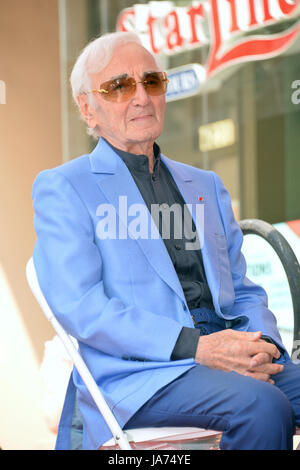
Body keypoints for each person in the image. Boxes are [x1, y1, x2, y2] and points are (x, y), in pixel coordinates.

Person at [32, 31, 300, 451]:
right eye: (119, 86)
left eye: (151, 81)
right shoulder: (66, 187)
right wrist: (199, 348)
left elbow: (245, 291)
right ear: (89, 109)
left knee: (267, 392)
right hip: (142, 374)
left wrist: (259, 346)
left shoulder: (206, 185)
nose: (141, 96)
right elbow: (83, 308)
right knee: (262, 407)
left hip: (227, 350)